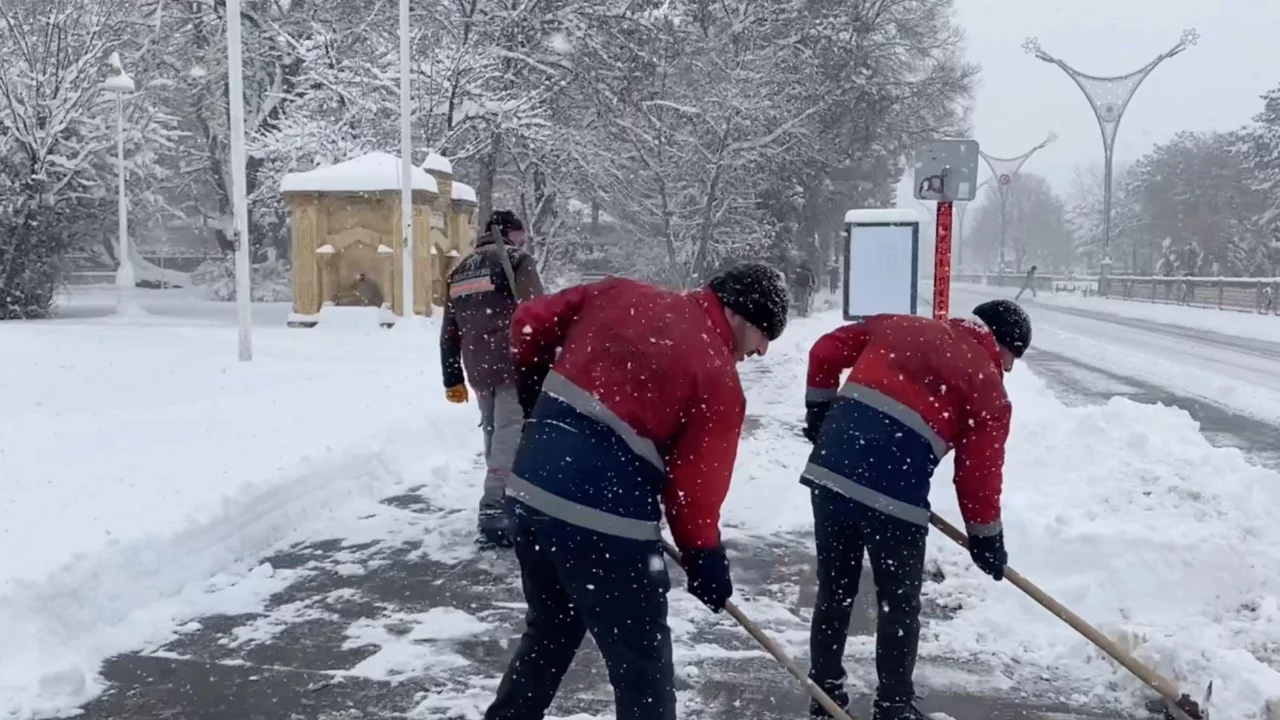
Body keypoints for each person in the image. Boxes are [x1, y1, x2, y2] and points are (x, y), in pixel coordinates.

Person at [483, 263, 790, 720]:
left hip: (529, 491)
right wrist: (705, 558)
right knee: (642, 666)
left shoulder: (620, 293)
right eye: (765, 335)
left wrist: (536, 396)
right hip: (605, 523)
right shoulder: (717, 378)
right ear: (740, 314)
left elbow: (529, 320)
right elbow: (694, 494)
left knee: (549, 633)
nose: (762, 351)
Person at [799, 300, 1031, 720]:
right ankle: (893, 707)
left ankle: (825, 693)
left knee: (835, 590)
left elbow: (824, 350)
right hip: (895, 494)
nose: (1006, 370)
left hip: (831, 468)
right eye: (1010, 361)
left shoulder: (898, 325)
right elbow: (977, 474)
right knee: (898, 604)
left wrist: (818, 411)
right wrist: (986, 539)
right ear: (1003, 345)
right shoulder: (988, 387)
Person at [440, 209, 545, 549]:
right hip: (515, 362)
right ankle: (495, 505)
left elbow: (449, 331)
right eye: (521, 234)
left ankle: (504, 498)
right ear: (510, 233)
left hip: (478, 366)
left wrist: (452, 377)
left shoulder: (460, 270)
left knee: (494, 431)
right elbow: (537, 312)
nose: (524, 240)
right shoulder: (516, 260)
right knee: (510, 433)